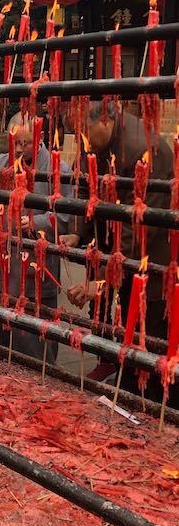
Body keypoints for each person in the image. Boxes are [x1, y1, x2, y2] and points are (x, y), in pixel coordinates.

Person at [62, 101, 175, 404]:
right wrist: (78, 230)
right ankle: (126, 376)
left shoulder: (144, 149)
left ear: (104, 120)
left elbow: (137, 230)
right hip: (114, 248)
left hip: (152, 258)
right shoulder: (94, 144)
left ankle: (153, 399)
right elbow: (85, 191)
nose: (81, 141)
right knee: (127, 319)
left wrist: (99, 282)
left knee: (151, 328)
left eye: (84, 132)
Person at [0, 112, 71, 363]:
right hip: (0, 269)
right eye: (16, 143)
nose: (20, 150)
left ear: (40, 137)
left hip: (35, 271)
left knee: (34, 352)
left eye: (26, 143)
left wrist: (36, 222)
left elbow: (66, 219)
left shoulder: (57, 169)